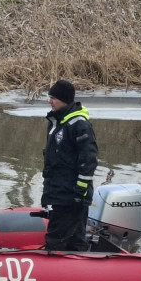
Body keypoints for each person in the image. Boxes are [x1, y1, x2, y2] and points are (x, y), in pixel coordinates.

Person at [41, 80, 98, 252]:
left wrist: (79, 191)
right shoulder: (58, 122)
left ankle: (54, 273)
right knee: (76, 238)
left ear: (65, 100)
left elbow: (89, 159)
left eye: (53, 98)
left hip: (70, 194)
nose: (50, 101)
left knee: (57, 238)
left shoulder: (78, 124)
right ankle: (81, 272)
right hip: (58, 190)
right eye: (50, 97)